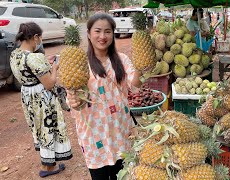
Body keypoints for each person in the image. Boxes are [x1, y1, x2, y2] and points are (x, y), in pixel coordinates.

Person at [66, 13, 143, 180]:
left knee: (121, 175)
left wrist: (143, 66)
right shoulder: (79, 62)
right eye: (98, 31)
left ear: (113, 34)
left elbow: (135, 84)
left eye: (107, 31)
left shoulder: (121, 59)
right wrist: (73, 100)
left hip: (120, 129)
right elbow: (73, 98)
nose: (102, 36)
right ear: (88, 33)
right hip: (95, 134)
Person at [10, 22, 72, 178]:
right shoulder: (35, 57)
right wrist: (55, 68)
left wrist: (46, 64)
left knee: (38, 129)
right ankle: (48, 167)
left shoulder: (15, 54)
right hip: (41, 98)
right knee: (48, 129)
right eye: (40, 38)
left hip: (27, 96)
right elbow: (49, 83)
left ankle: (47, 162)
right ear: (35, 37)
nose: (40, 41)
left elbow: (30, 72)